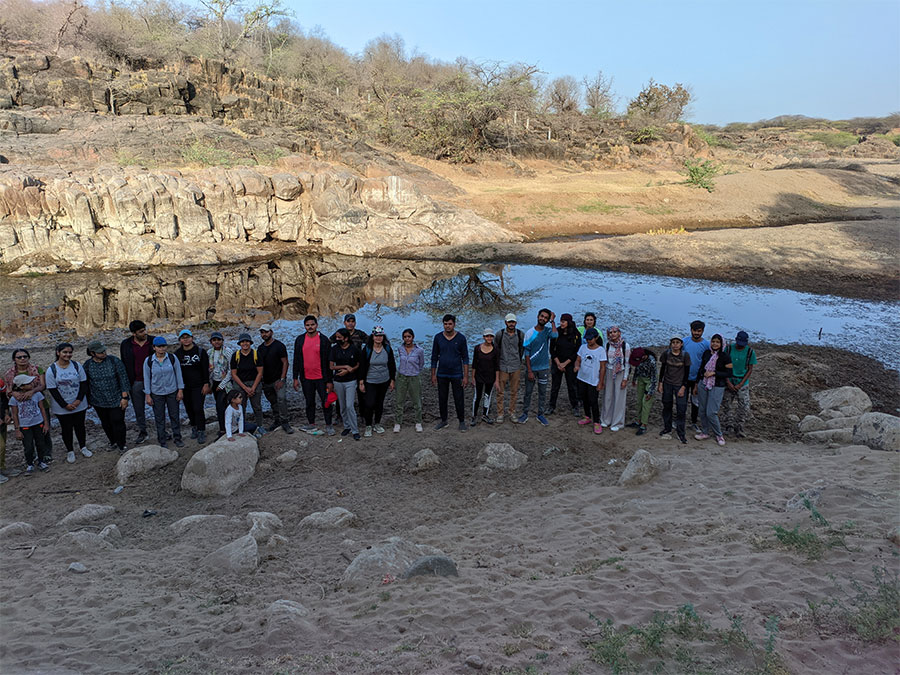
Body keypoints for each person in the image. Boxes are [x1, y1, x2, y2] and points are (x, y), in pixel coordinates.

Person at [46, 342, 91, 464]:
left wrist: (78, 400)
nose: (68, 354)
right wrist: (65, 405)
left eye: (70, 352)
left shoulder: (77, 366)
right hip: (61, 407)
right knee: (66, 428)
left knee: (80, 426)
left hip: (79, 404)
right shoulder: (52, 370)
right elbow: (52, 390)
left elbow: (83, 383)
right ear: (58, 353)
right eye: (65, 352)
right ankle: (70, 450)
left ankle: (83, 447)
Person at [4, 348, 51, 462]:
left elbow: (43, 385)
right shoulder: (9, 374)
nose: (22, 359)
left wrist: (32, 391)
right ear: (14, 359)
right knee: (27, 434)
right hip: (21, 407)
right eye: (19, 357)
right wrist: (14, 393)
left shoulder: (37, 369)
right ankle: (31, 456)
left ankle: (46, 454)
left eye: (25, 356)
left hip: (39, 403)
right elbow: (8, 390)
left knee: (44, 431)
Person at [83, 341, 130, 453]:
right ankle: (113, 441)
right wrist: (87, 400)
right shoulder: (88, 365)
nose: (104, 353)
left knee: (117, 420)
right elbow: (86, 383)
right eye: (100, 352)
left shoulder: (114, 361)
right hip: (98, 400)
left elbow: (123, 378)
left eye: (104, 351)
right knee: (105, 422)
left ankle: (122, 444)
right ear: (92, 353)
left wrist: (125, 397)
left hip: (116, 398)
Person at [292, 316, 334, 436]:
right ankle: (311, 423)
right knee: (309, 402)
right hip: (306, 378)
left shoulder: (324, 340)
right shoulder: (300, 340)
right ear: (304, 326)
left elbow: (329, 362)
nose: (310, 327)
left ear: (316, 325)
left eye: (312, 325)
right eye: (307, 325)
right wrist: (295, 378)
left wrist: (329, 381)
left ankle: (328, 424)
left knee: (326, 401)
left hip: (322, 378)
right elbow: (296, 360)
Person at [518, 308, 557, 426]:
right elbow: (527, 353)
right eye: (542, 316)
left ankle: (540, 414)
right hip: (532, 369)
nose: (543, 319)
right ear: (538, 316)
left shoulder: (547, 331)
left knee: (542, 392)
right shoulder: (530, 333)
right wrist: (529, 370)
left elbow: (555, 335)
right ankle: (525, 413)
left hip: (544, 368)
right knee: (528, 392)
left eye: (546, 318)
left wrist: (553, 321)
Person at [144, 336, 184, 448]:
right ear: (154, 347)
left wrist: (180, 390)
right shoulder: (149, 361)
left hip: (172, 391)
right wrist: (148, 394)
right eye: (159, 346)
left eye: (163, 346)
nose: (161, 349)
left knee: (174, 416)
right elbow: (147, 378)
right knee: (159, 418)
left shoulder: (172, 358)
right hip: (157, 393)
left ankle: (177, 438)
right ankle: (162, 440)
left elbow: (178, 374)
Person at [431, 314, 470, 431]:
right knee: (442, 398)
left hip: (456, 374)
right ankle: (444, 421)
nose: (447, 326)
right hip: (442, 374)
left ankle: (461, 421)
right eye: (445, 324)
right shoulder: (438, 338)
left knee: (459, 398)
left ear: (454, 324)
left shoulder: (461, 338)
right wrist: (433, 374)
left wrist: (466, 376)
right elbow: (434, 357)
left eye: (450, 324)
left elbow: (465, 358)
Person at [694, 334, 733, 446]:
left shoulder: (725, 356)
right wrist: (698, 381)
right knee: (702, 410)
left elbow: (729, 373)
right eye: (713, 341)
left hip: (717, 385)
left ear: (722, 344)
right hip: (703, 383)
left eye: (717, 342)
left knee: (711, 412)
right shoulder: (707, 353)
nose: (715, 344)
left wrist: (714, 373)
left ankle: (719, 434)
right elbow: (701, 368)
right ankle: (705, 432)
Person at [8, 374, 51, 474]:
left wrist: (46, 423)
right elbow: (14, 414)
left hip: (38, 423)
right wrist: (17, 429)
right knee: (28, 446)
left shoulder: (37, 394)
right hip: (25, 425)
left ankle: (41, 461)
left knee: (40, 443)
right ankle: (30, 463)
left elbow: (42, 409)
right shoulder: (14, 399)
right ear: (22, 386)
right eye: (29, 383)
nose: (32, 384)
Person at [120, 320, 154, 444]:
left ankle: (162, 430)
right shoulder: (126, 344)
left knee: (158, 406)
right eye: (141, 331)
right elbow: (124, 363)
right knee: (139, 409)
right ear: (134, 333)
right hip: (135, 382)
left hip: (153, 381)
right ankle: (143, 431)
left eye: (144, 330)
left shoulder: (153, 341)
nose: (144, 333)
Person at [359, 326, 396, 436]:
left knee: (380, 403)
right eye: (376, 336)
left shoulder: (387, 349)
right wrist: (361, 382)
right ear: (373, 336)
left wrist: (392, 380)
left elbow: (392, 365)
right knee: (369, 403)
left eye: (380, 336)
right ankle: (368, 425)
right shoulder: (367, 349)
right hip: (370, 381)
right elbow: (362, 366)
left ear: (383, 337)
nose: (378, 338)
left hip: (384, 380)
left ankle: (377, 424)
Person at [175, 329, 210, 443]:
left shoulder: (200, 352)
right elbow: (176, 372)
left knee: (198, 408)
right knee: (189, 408)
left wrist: (206, 383)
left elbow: (205, 369)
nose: (186, 340)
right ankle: (194, 427)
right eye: (183, 338)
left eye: (188, 337)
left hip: (199, 385)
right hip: (184, 386)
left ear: (192, 338)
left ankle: (201, 430)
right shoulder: (177, 354)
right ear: (180, 340)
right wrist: (178, 388)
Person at [257, 324, 293, 434]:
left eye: (266, 332)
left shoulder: (279, 346)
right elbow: (260, 366)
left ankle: (285, 422)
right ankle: (277, 420)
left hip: (278, 379)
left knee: (281, 399)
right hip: (266, 380)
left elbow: (285, 362)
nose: (264, 334)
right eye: (262, 332)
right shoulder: (260, 348)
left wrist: (282, 379)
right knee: (273, 401)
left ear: (271, 332)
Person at [721, 330, 757, 438]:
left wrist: (741, 383)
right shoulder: (728, 349)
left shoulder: (750, 352)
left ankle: (739, 426)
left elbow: (750, 369)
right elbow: (723, 366)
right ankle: (728, 425)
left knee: (744, 406)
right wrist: (728, 382)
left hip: (742, 381)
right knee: (727, 405)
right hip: (729, 380)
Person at [658, 337, 692, 444]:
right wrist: (660, 383)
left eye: (677, 342)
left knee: (681, 409)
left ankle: (681, 432)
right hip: (667, 383)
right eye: (673, 342)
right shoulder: (666, 354)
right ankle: (667, 428)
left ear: (681, 344)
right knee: (667, 406)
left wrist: (683, 387)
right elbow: (662, 369)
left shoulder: (685, 355)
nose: (675, 345)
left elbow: (687, 373)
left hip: (679, 385)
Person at [330, 328, 362, 440]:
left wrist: (350, 370)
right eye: (336, 337)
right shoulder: (334, 349)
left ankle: (355, 430)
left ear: (346, 338)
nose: (337, 339)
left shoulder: (354, 349)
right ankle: (347, 426)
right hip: (338, 381)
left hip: (351, 381)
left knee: (349, 405)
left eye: (339, 337)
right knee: (342, 406)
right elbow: (331, 366)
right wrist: (345, 367)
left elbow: (358, 364)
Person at [574, 328, 607, 434]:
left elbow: (603, 368)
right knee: (584, 398)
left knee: (593, 401)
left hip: (593, 380)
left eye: (591, 339)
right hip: (582, 378)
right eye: (587, 339)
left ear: (596, 338)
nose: (589, 341)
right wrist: (576, 366)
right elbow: (578, 360)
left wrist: (601, 382)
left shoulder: (601, 350)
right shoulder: (583, 347)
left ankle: (596, 421)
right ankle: (587, 416)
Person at [230, 334, 265, 434]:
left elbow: (260, 372)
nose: (245, 344)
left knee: (257, 406)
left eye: (247, 341)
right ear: (239, 344)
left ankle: (260, 426)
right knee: (241, 407)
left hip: (254, 382)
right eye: (242, 342)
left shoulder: (256, 354)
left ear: (250, 343)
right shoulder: (236, 356)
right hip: (240, 383)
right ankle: (241, 426)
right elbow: (234, 374)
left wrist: (253, 388)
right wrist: (245, 388)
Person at [548, 313, 582, 416]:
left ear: (569, 322)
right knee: (555, 386)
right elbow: (552, 350)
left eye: (563, 321)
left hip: (570, 363)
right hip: (557, 363)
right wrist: (559, 363)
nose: (561, 323)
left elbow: (577, 351)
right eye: (561, 321)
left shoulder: (576, 335)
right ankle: (551, 406)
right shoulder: (557, 332)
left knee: (572, 386)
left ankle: (575, 406)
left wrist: (565, 363)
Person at [494, 313, 524, 424]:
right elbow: (495, 348)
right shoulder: (500, 334)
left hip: (515, 366)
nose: (511, 324)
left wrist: (518, 360)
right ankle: (500, 413)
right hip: (502, 366)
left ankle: (512, 412)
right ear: (505, 322)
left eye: (513, 322)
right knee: (500, 391)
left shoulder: (520, 334)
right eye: (509, 322)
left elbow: (521, 349)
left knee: (514, 391)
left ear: (516, 323)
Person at [393, 329, 424, 433]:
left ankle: (418, 422)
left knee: (416, 401)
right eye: (405, 337)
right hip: (401, 377)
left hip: (414, 377)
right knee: (399, 401)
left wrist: (415, 371)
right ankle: (398, 423)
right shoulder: (400, 349)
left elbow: (421, 364)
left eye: (409, 337)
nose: (407, 339)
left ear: (413, 337)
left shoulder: (419, 350)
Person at [601, 326, 631, 431]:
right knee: (608, 396)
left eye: (615, 332)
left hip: (620, 372)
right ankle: (606, 420)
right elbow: (605, 361)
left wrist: (625, 379)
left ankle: (617, 422)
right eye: (610, 332)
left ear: (619, 333)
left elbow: (627, 363)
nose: (612, 334)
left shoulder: (625, 346)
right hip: (609, 372)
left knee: (619, 398)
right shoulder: (608, 345)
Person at [683, 320, 710, 433]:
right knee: (682, 400)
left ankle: (694, 422)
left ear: (703, 331)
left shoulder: (707, 345)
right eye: (694, 331)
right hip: (684, 377)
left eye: (699, 331)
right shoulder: (684, 342)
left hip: (698, 379)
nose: (696, 333)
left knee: (695, 402)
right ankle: (680, 421)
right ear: (691, 330)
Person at [470, 328, 500, 425]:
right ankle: (474, 416)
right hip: (479, 376)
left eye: (491, 336)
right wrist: (473, 377)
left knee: (487, 396)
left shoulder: (496, 349)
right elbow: (474, 364)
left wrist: (497, 380)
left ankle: (485, 415)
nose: (489, 338)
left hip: (490, 377)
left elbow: (497, 366)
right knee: (477, 396)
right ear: (484, 337)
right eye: (487, 336)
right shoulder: (477, 348)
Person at [207, 331, 233, 439]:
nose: (216, 342)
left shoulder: (228, 352)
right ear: (211, 342)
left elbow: (231, 370)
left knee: (220, 405)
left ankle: (224, 429)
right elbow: (208, 370)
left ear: (222, 341)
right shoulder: (209, 353)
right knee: (221, 406)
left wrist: (222, 384)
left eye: (218, 340)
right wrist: (209, 384)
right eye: (214, 340)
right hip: (214, 382)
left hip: (226, 382)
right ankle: (225, 426)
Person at [628, 347, 657, 436]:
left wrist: (650, 392)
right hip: (641, 379)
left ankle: (644, 425)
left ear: (644, 356)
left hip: (649, 381)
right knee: (639, 401)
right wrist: (634, 379)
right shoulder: (639, 358)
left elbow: (654, 378)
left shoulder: (652, 361)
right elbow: (637, 369)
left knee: (646, 403)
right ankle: (638, 421)